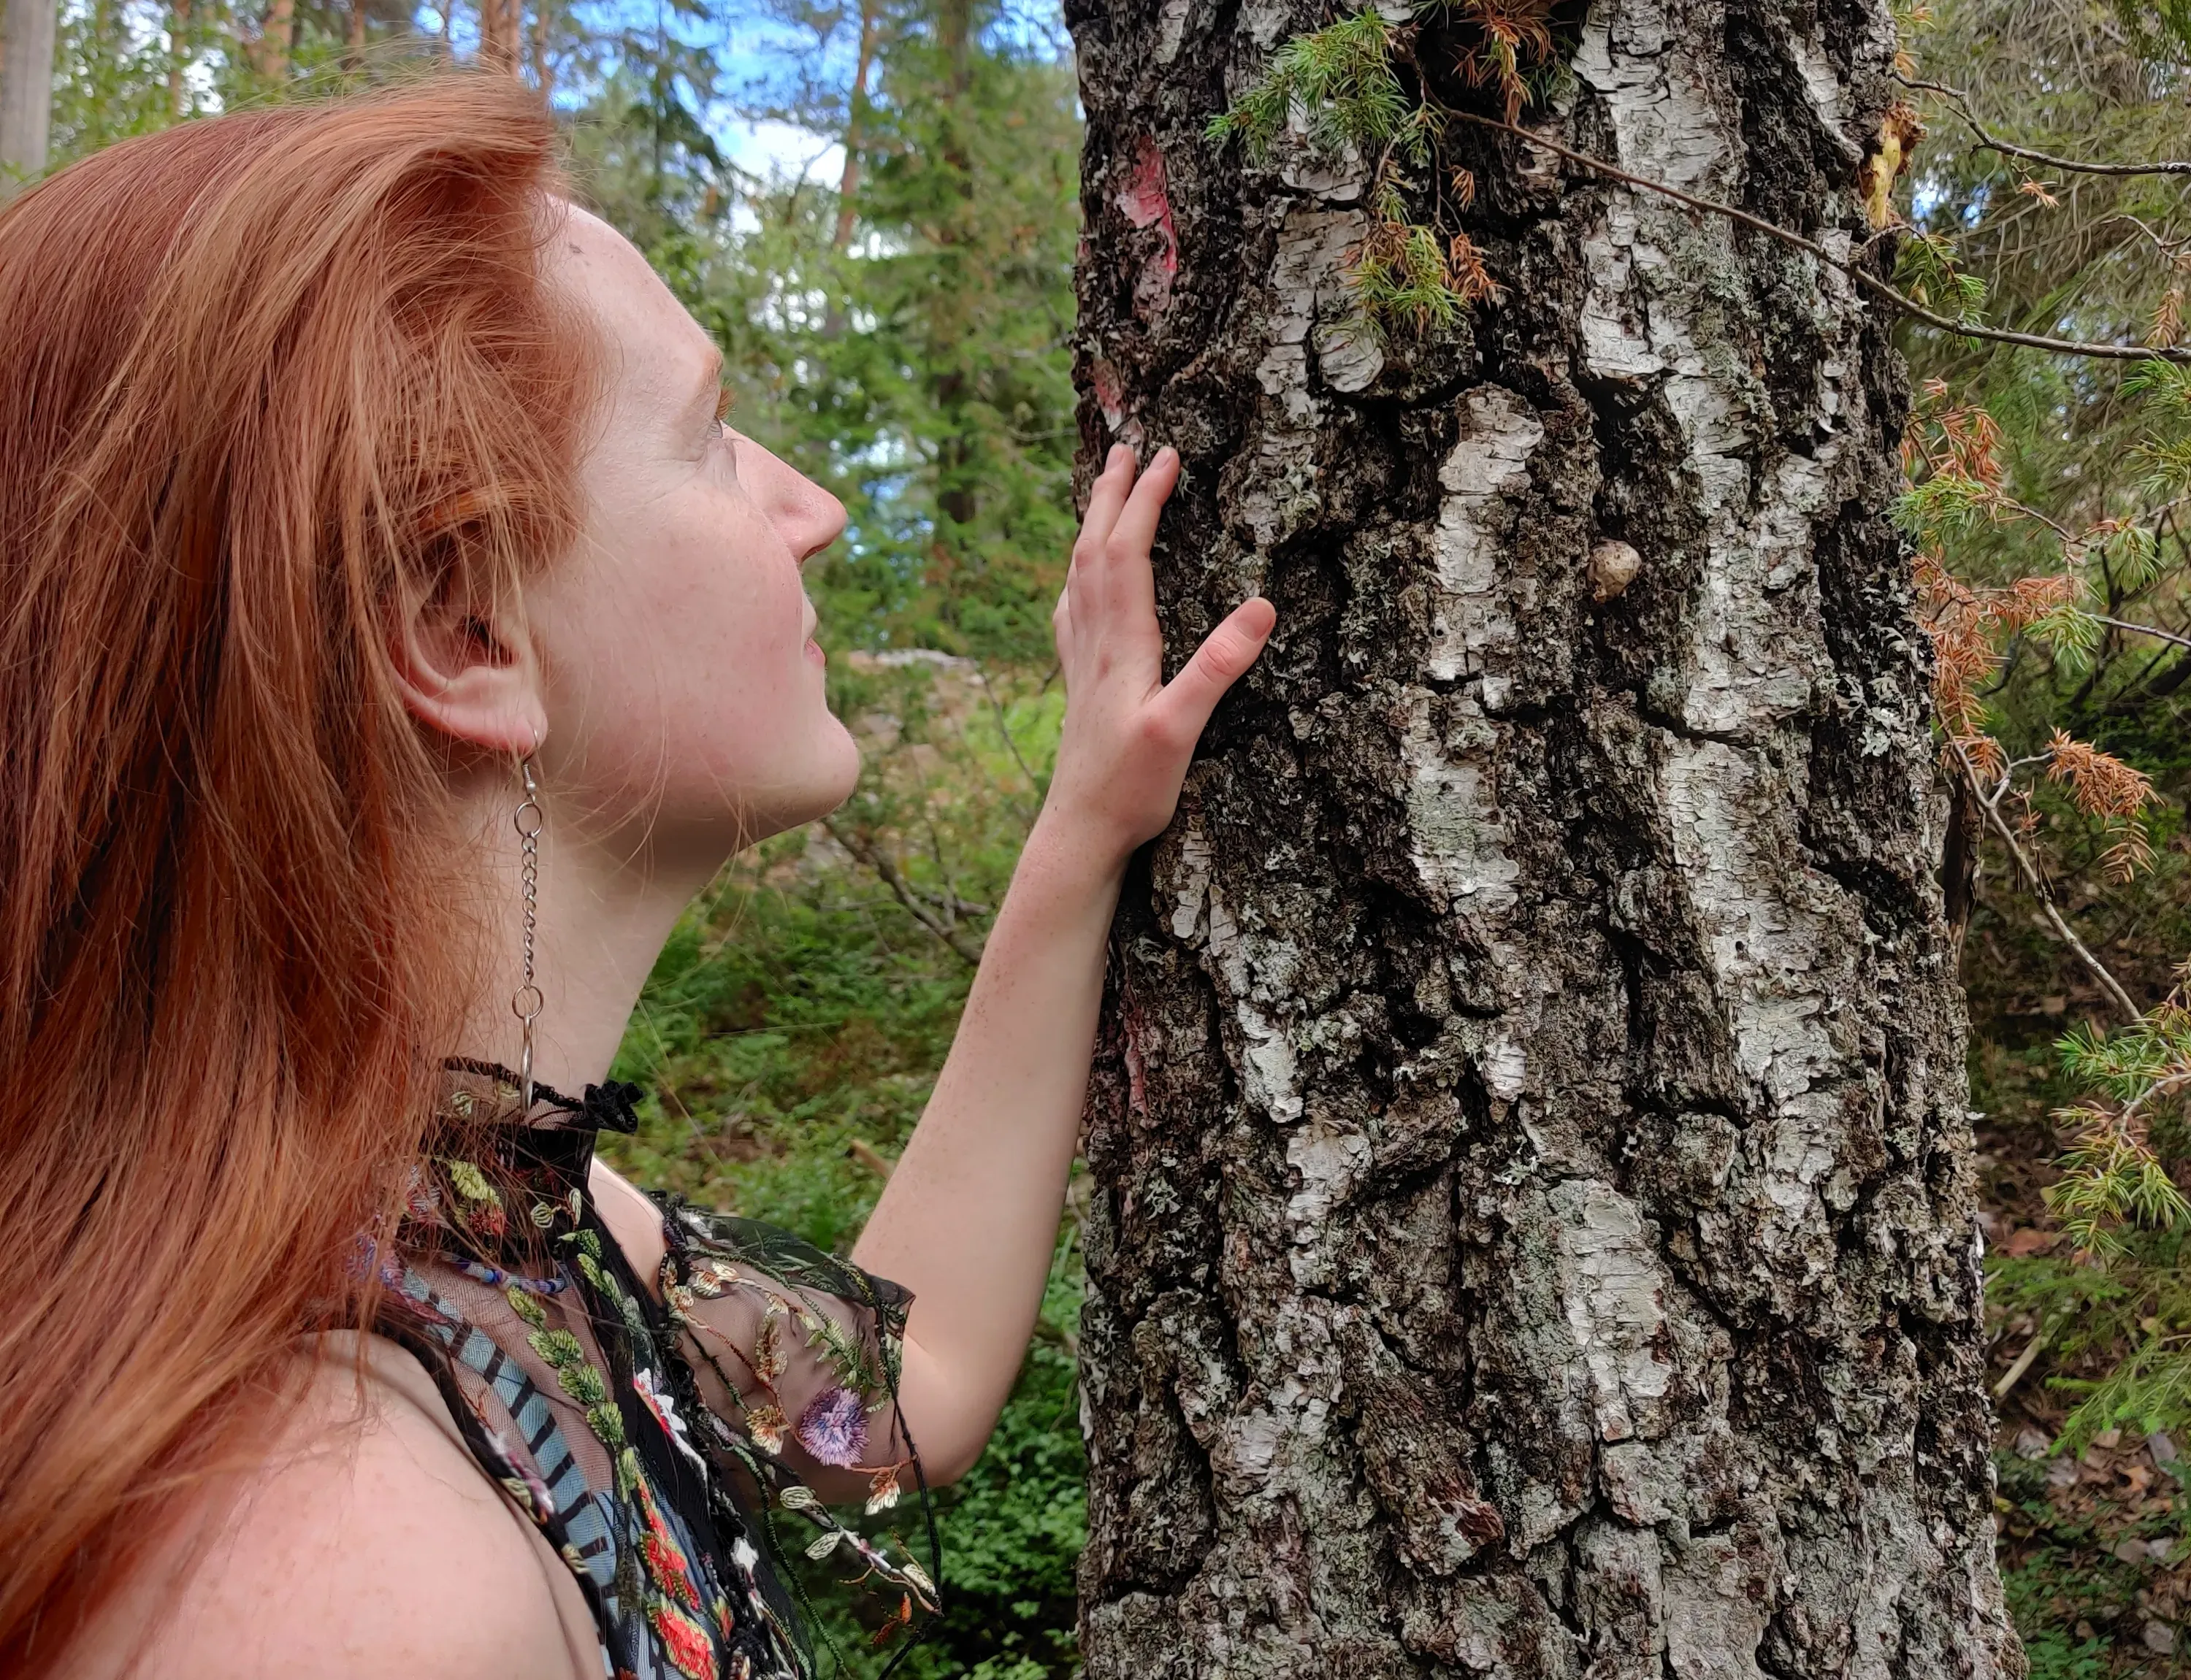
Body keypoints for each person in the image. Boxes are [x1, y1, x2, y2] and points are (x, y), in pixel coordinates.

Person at [0, 74, 1274, 1680]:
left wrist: (1083, 826)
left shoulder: (469, 1212)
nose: (809, 508)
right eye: (710, 440)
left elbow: (883, 1394)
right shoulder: (345, 1590)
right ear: (464, 628)